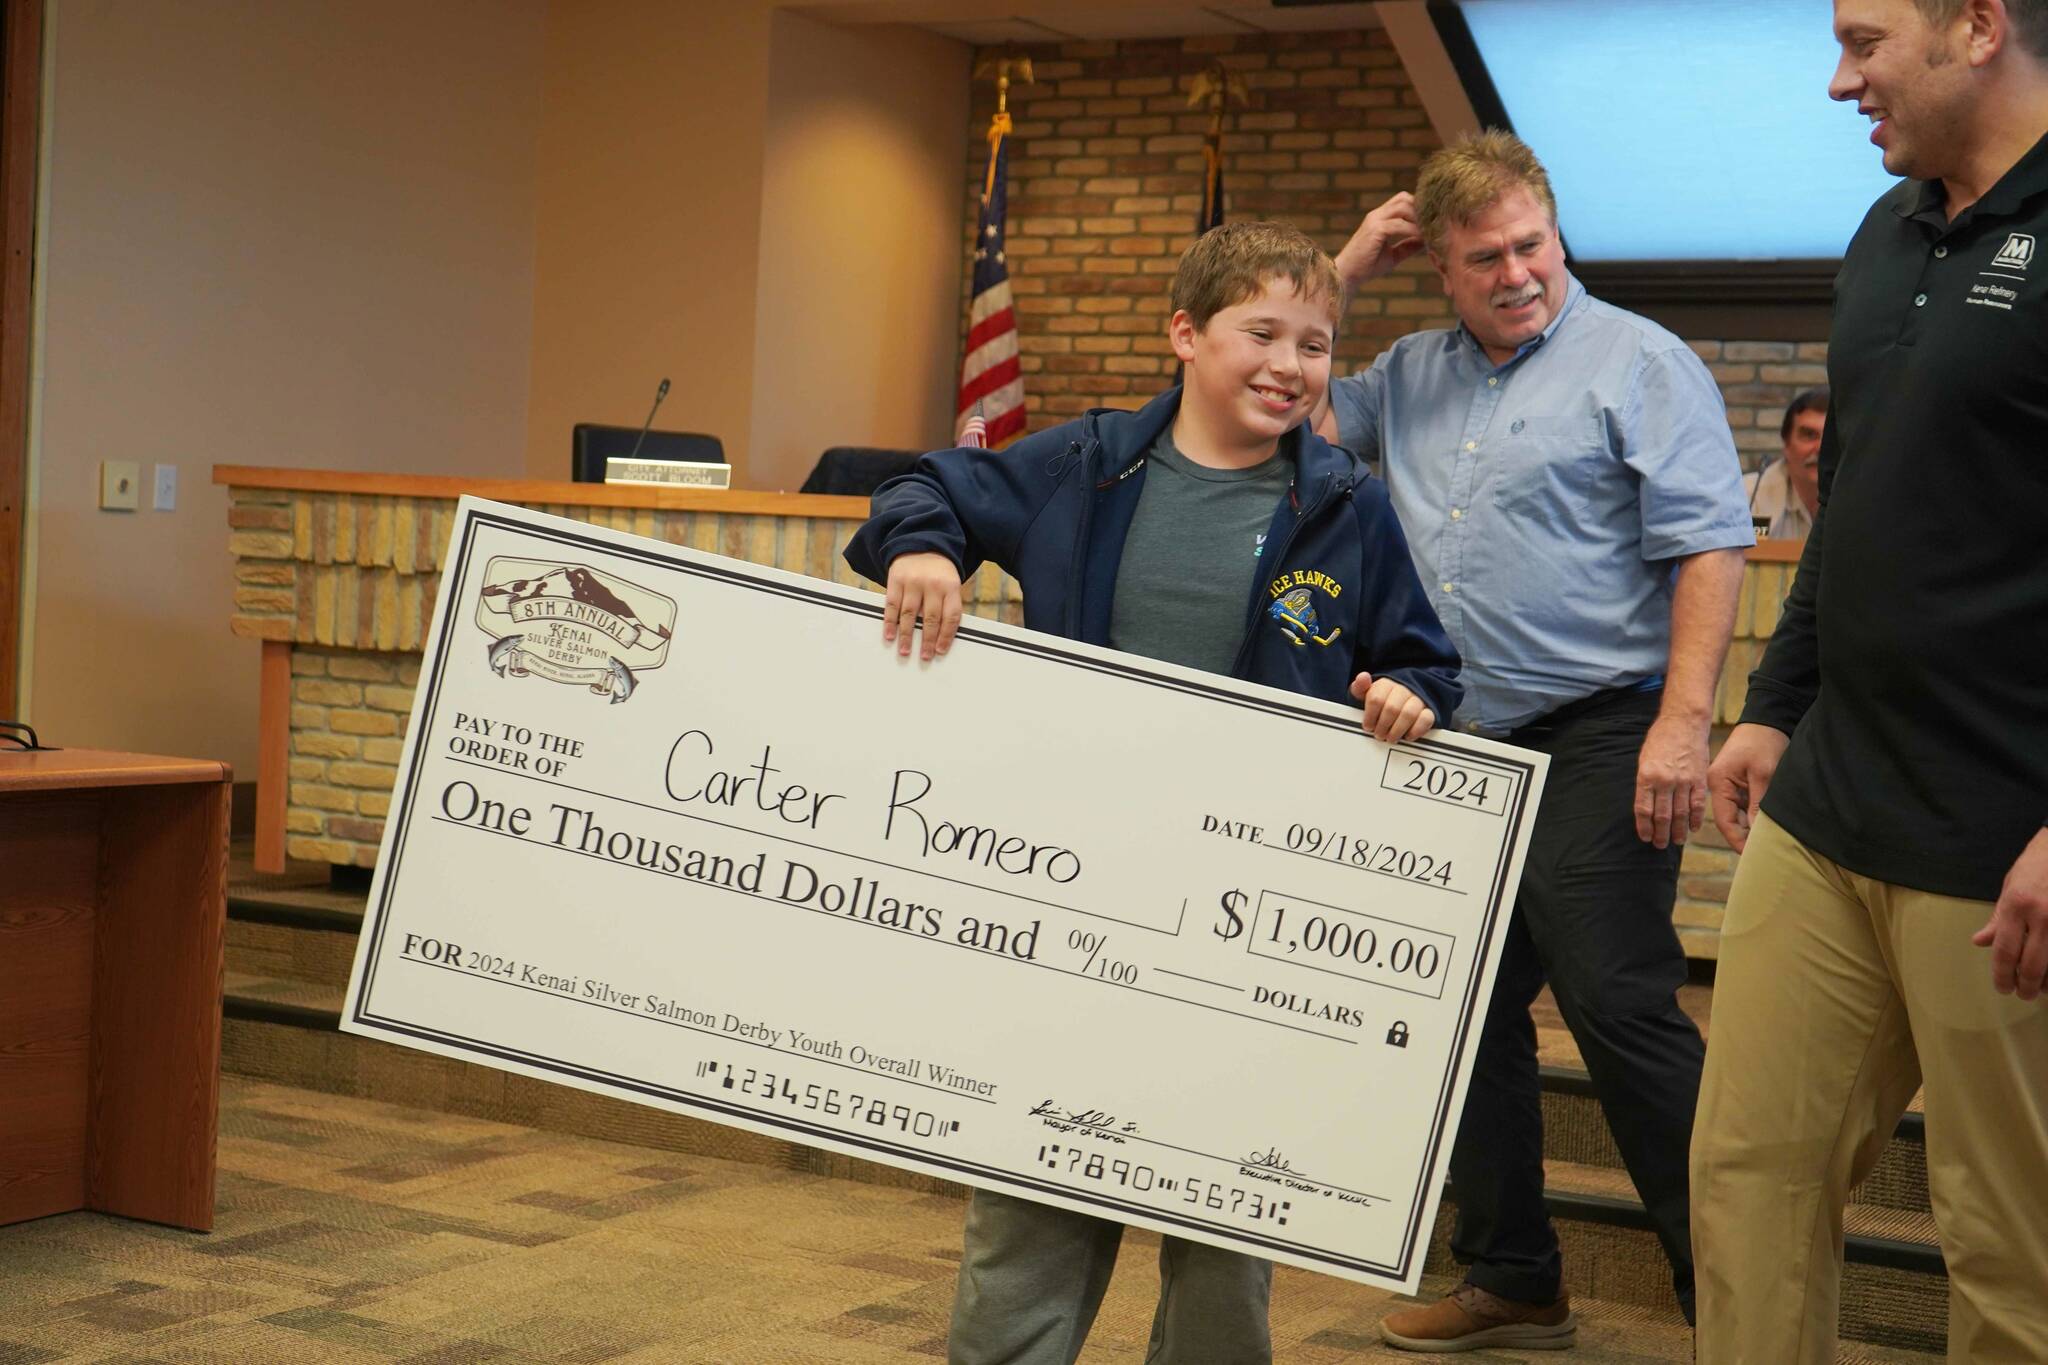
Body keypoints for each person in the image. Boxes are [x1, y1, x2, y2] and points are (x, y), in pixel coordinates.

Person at [844, 221, 1462, 1365]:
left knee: (1226, 1222)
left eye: (1316, 344)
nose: (1290, 363)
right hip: (1075, 893)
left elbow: (1421, 659)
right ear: (1185, 334)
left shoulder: (1347, 505)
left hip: (1245, 920)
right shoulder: (1083, 464)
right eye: (1260, 333)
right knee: (1028, 1193)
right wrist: (922, 550)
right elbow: (923, 485)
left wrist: (1408, 696)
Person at [1318, 131, 1754, 1351]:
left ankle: (1729, 1297)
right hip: (1452, 737)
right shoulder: (1404, 371)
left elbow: (1707, 544)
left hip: (1607, 725)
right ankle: (1511, 1274)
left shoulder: (1639, 362)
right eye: (1483, 258)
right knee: (1460, 1012)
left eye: (1531, 246)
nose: (1516, 274)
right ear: (1439, 270)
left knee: (1616, 1004)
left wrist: (1681, 722)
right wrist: (1343, 269)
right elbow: (1274, 397)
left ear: (1553, 234)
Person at [1693, 0, 2048, 1358]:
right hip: (1832, 807)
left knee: (2011, 1249)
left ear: (1977, 26)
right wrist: (1777, 702)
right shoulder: (1885, 231)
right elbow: (1851, 503)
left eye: (1864, 40)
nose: (1841, 82)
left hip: (2000, 844)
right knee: (1748, 1186)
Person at [1743, 388, 1828, 538]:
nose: (1820, 447)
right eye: (1809, 435)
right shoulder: (1748, 498)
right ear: (1786, 444)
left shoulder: (1866, 501)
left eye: (1830, 437)